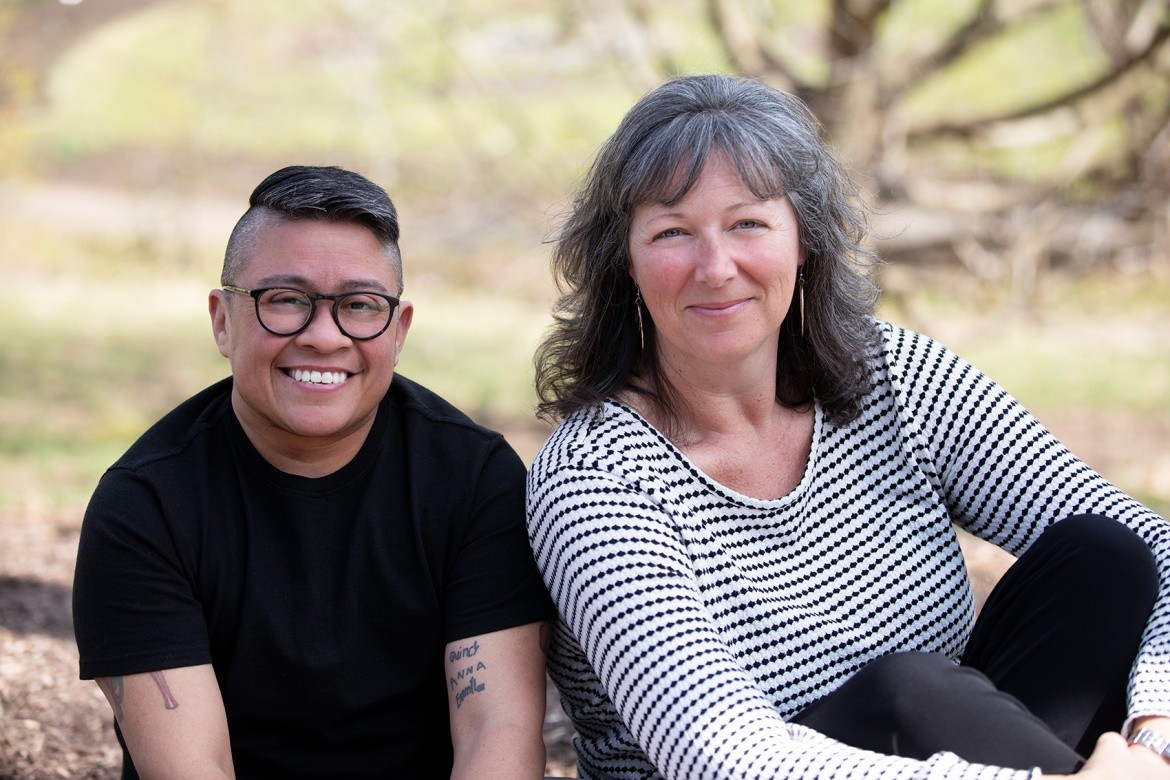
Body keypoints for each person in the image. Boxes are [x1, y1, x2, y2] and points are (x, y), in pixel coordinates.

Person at [525, 74, 1170, 779]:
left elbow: (1157, 548)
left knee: (1106, 557)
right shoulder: (593, 478)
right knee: (906, 692)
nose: (716, 268)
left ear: (804, 240)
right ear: (625, 261)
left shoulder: (888, 373)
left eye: (748, 224)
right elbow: (724, 756)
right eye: (673, 233)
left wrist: (1155, 727)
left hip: (947, 757)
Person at [73, 165, 555, 779]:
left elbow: (499, 734)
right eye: (285, 300)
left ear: (399, 329)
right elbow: (192, 771)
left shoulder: (474, 481)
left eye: (359, 305)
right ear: (223, 320)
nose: (324, 337)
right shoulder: (144, 507)